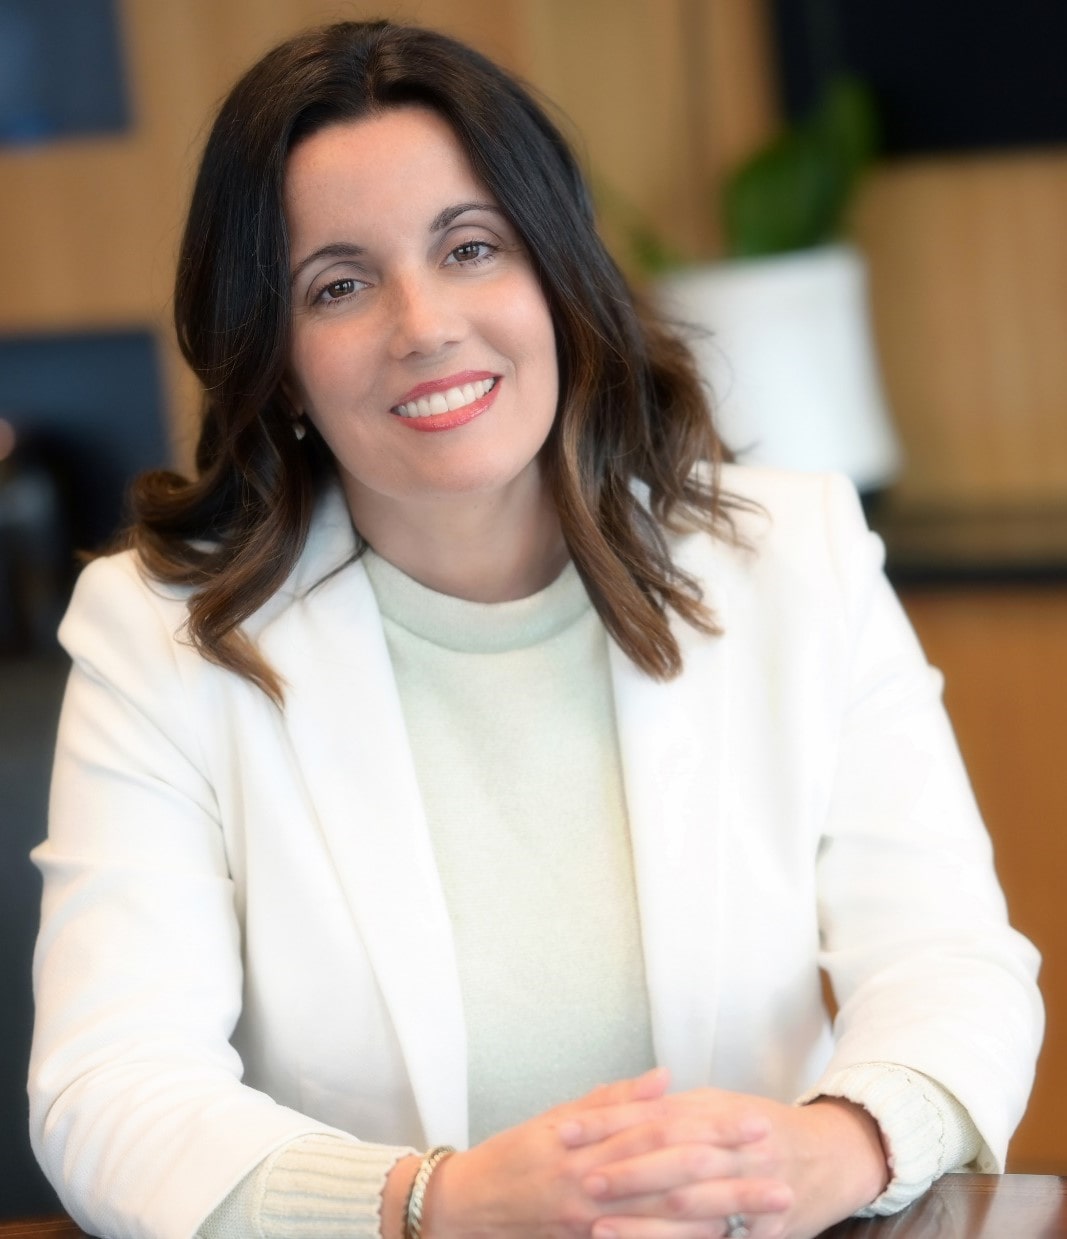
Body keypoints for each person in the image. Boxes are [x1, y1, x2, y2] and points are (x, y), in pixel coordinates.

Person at [29, 19, 1042, 1239]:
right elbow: (109, 1090)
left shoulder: (794, 559)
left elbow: (950, 962)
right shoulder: (160, 639)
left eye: (470, 248)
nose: (423, 324)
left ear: (555, 276)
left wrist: (829, 1152)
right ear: (276, 360)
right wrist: (435, 1205)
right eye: (338, 285)